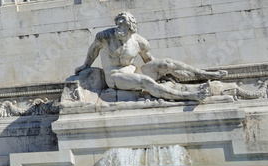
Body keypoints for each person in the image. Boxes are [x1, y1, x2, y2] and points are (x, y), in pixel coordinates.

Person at [75, 12, 229, 101]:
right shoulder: (105, 36)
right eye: (118, 25)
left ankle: (207, 75)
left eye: (123, 26)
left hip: (133, 71)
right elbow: (93, 50)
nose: (119, 29)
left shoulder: (139, 42)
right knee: (145, 81)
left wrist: (162, 71)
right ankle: (189, 96)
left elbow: (149, 60)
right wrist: (85, 66)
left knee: (167, 63)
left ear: (131, 28)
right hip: (115, 77)